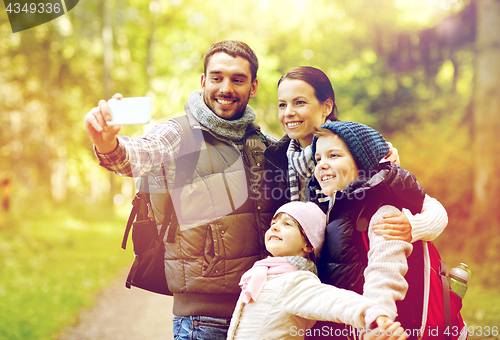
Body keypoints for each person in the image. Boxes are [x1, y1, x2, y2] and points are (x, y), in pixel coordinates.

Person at [84, 40, 285, 340]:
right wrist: (107, 144)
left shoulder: (265, 144)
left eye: (237, 79)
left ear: (253, 87)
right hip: (203, 320)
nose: (226, 88)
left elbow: (314, 174)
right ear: (203, 81)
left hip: (262, 314)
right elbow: (139, 155)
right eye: (217, 78)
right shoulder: (179, 133)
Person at [310, 121, 435, 339]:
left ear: (362, 162)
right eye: (318, 159)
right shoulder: (334, 207)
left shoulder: (381, 210)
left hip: (368, 325)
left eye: (334, 156)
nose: (322, 164)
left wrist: (378, 318)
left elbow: (385, 268)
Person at [227, 201, 409, 340]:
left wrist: (371, 312)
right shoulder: (263, 274)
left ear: (308, 244)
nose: (275, 226)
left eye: (287, 224)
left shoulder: (295, 281)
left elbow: (331, 301)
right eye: (273, 223)